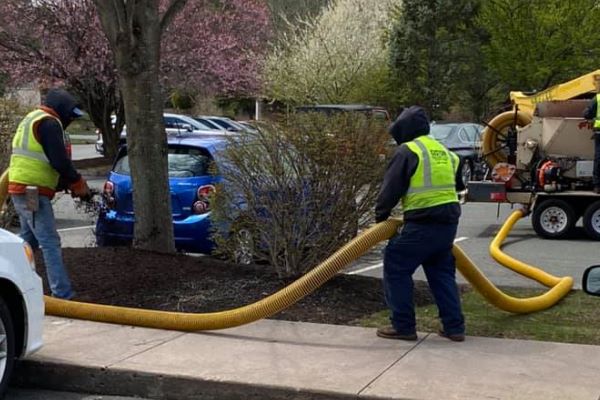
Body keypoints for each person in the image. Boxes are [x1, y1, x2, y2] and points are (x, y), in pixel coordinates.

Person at [374, 106, 466, 342]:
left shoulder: (408, 151)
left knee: (396, 266)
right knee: (441, 272)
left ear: (405, 130)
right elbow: (455, 187)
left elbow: (390, 190)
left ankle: (403, 326)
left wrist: (380, 219)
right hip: (448, 224)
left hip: (422, 223)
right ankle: (454, 327)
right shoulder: (446, 152)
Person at [8, 88, 91, 300]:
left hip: (25, 188)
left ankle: (12, 281)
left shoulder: (32, 119)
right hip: (31, 192)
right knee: (49, 242)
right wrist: (77, 182)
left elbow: (43, 161)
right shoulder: (49, 123)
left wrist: (66, 183)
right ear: (62, 111)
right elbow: (59, 161)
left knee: (28, 241)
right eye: (70, 116)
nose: (71, 120)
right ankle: (62, 295)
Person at [582, 76, 600, 194]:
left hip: (599, 132)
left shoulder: (597, 98)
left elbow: (587, 114)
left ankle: (597, 185)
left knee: (599, 158)